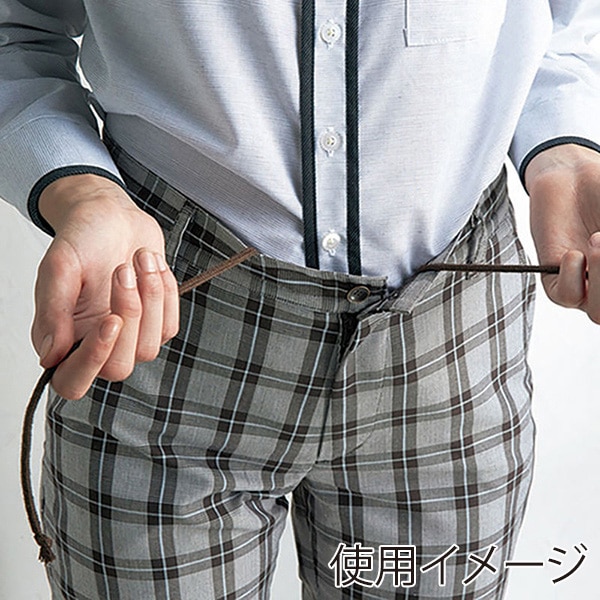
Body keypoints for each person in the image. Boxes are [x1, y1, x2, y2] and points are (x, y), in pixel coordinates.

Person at [1, 1, 599, 598]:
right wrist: (83, 194)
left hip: (452, 341)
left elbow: (567, 24)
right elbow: (15, 30)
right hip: (157, 322)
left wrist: (566, 152)